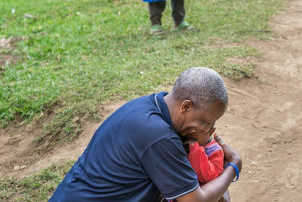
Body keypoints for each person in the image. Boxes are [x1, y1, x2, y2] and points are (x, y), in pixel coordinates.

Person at [49, 67, 242, 202]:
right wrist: (233, 165)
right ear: (186, 106)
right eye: (206, 123)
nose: (207, 130)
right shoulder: (158, 136)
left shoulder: (156, 106)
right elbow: (196, 200)